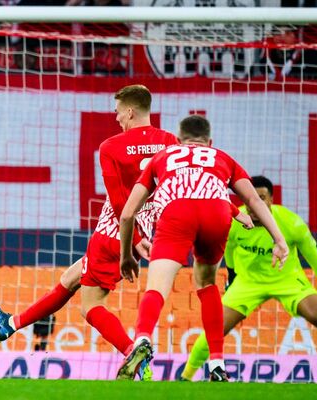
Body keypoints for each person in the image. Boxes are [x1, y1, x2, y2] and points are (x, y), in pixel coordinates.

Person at [0, 85, 177, 377]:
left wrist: (132, 242)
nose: (116, 118)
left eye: (118, 112)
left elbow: (119, 203)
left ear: (130, 111)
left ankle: (135, 355)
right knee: (70, 278)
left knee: (90, 307)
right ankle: (10, 325)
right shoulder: (170, 142)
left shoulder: (111, 146)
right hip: (143, 231)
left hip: (114, 234)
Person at [117, 115, 289, 382]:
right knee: (207, 284)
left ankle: (142, 339)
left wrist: (126, 255)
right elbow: (254, 199)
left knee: (157, 287)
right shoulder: (222, 157)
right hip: (217, 213)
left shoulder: (162, 157)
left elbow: (128, 214)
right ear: (209, 142)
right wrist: (279, 239)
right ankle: (217, 364)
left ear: (178, 141)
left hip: (176, 212)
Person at [179, 176, 317, 384]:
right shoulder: (234, 220)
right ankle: (185, 378)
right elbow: (230, 248)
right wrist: (232, 277)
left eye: (261, 198)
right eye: (249, 198)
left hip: (287, 279)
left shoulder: (291, 223)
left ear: (271, 199)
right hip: (248, 282)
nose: (253, 204)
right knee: (216, 327)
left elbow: (315, 259)